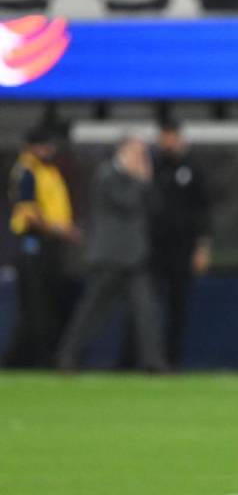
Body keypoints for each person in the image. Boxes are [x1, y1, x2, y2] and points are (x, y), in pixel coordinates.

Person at [56, 136, 167, 372]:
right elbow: (127, 202)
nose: (141, 158)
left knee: (146, 311)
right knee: (91, 312)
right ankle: (67, 356)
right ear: (123, 151)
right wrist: (141, 180)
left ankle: (153, 362)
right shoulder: (107, 175)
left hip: (135, 258)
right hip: (110, 257)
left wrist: (146, 181)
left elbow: (156, 207)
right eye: (136, 152)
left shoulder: (139, 179)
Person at [5, 125, 77, 368]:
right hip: (32, 244)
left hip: (49, 246)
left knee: (47, 304)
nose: (49, 150)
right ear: (32, 147)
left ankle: (36, 359)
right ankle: (20, 361)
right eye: (44, 146)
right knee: (35, 307)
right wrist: (60, 230)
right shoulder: (27, 171)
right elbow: (29, 213)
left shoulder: (47, 171)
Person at [149, 117, 211, 368]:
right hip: (154, 249)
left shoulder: (193, 168)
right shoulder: (152, 167)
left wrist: (202, 248)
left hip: (183, 249)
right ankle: (145, 358)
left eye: (172, 135)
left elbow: (203, 211)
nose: (168, 141)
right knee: (148, 306)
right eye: (164, 136)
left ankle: (172, 360)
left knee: (178, 306)